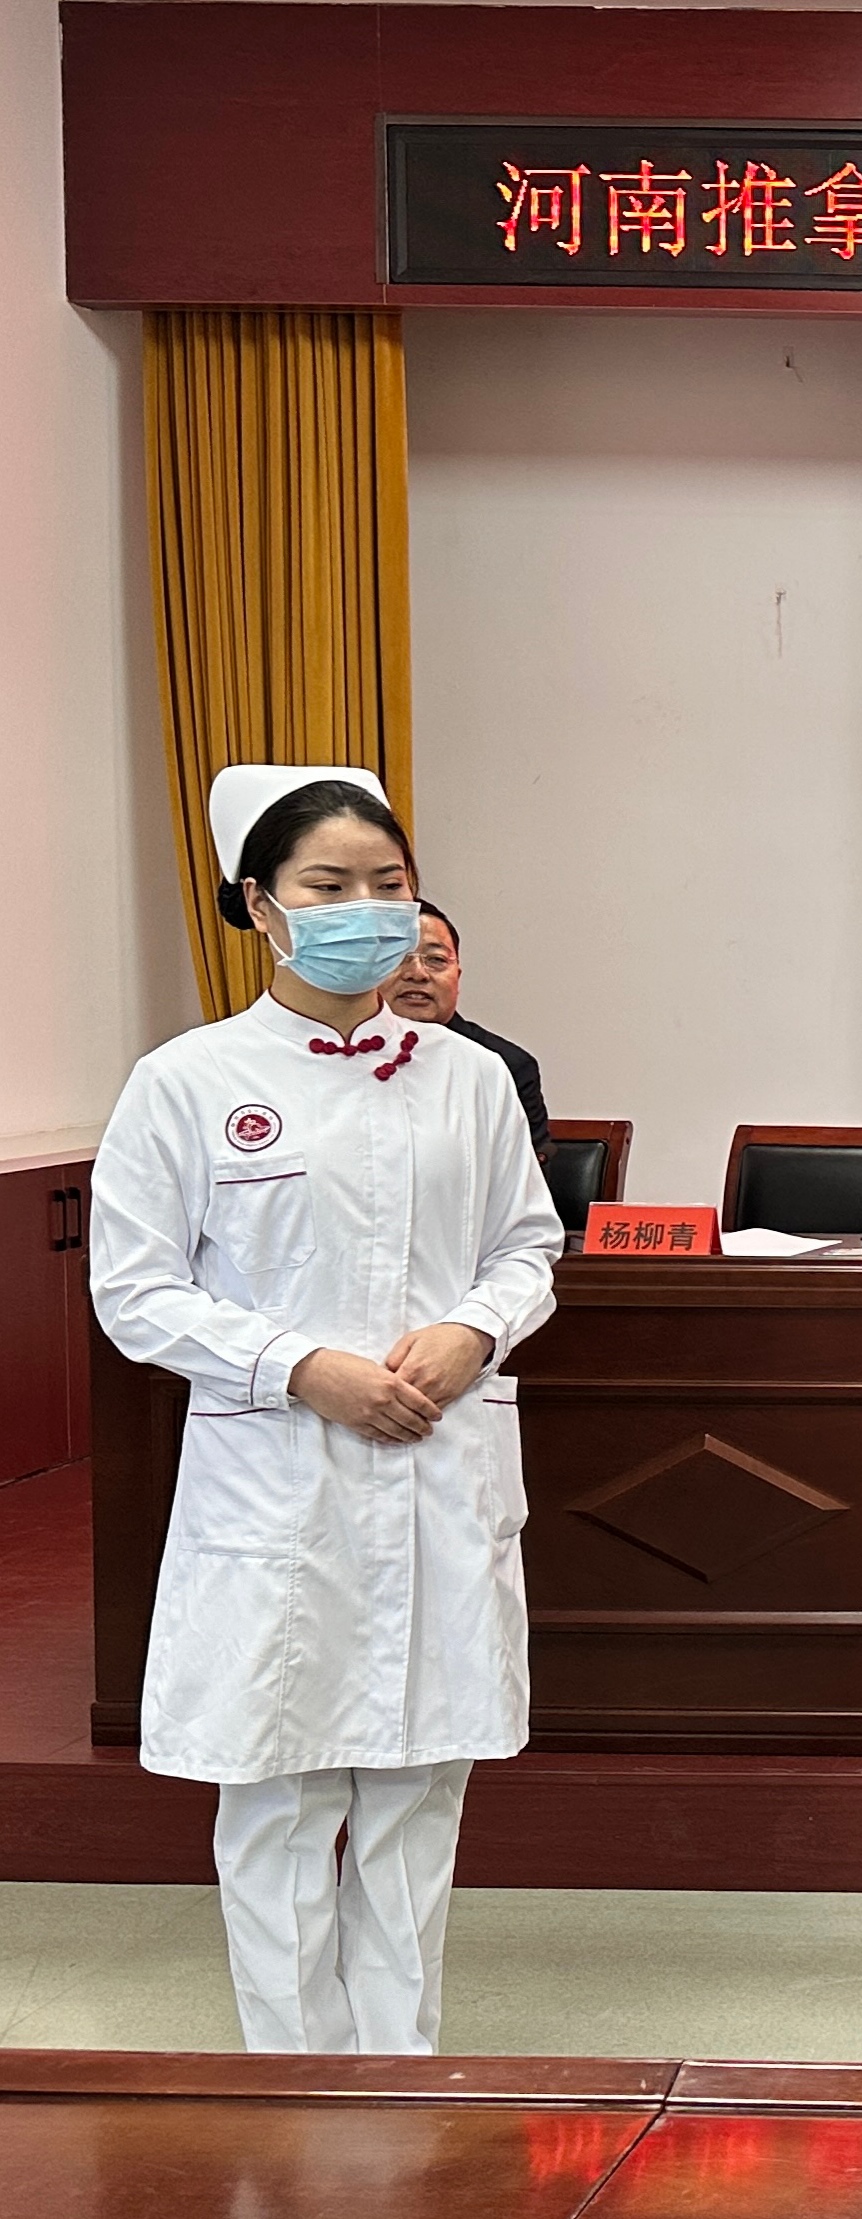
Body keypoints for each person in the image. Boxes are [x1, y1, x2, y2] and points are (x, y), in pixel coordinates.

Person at [90, 766, 562, 2054]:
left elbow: (527, 1243)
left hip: (440, 1466)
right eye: (330, 885)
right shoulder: (188, 1079)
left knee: (417, 1796)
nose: (367, 910)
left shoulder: (468, 1076)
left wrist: (474, 1329)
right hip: (278, 1479)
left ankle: (401, 2078)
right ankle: (291, 2087)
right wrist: (300, 1364)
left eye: (388, 885)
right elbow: (135, 1289)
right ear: (261, 905)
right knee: (280, 1799)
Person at [382, 900, 548, 1157]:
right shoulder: (339, 1053)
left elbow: (525, 1176)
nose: (417, 973)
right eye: (397, 957)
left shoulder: (503, 1064)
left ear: (457, 977)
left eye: (436, 959)